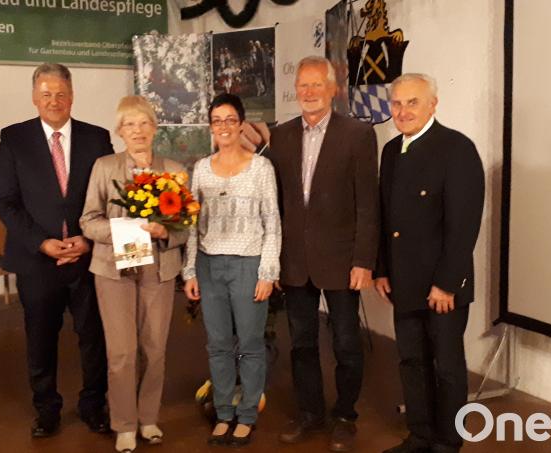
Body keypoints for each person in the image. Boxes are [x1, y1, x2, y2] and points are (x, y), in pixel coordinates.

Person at [266, 56, 380, 452]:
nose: (309, 92)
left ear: (333, 89)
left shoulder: (358, 134)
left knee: (347, 343)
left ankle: (345, 415)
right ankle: (311, 414)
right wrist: (273, 259)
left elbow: (368, 204)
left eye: (317, 85)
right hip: (294, 261)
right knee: (301, 343)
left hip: (342, 261)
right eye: (303, 85)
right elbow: (275, 203)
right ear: (295, 90)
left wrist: (364, 260)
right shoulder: (279, 137)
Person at [0, 63, 112, 437]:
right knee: (40, 338)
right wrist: (42, 243)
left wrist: (89, 239)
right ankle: (47, 410)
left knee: (94, 338)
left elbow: (112, 197)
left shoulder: (98, 138)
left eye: (61, 93)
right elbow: (6, 202)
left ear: (72, 96)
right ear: (34, 97)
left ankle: (94, 406)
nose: (54, 101)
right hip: (37, 260)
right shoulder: (14, 139)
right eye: (46, 94)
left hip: (88, 258)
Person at [374, 73, 484, 453]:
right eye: (397, 104)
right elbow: (385, 218)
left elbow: (464, 224)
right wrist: (382, 269)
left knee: (448, 367)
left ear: (433, 104)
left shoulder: (456, 148)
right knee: (411, 361)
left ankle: (447, 441)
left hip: (442, 286)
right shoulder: (391, 152)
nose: (403, 112)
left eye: (412, 102)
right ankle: (419, 435)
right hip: (404, 280)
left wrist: (447, 283)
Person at [79, 95, 189, 453]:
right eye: (130, 124)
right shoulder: (104, 166)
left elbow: (185, 228)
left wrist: (164, 232)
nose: (137, 131)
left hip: (158, 269)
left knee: (154, 349)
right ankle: (124, 424)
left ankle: (149, 418)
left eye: (144, 123)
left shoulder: (174, 170)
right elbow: (88, 220)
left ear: (155, 128)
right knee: (122, 352)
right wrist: (121, 230)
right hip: (113, 270)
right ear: (120, 131)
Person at [183, 93, 281, 447]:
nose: (223, 127)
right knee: (219, 345)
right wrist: (190, 271)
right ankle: (224, 413)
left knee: (251, 345)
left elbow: (272, 222)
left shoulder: (261, 168)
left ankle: (248, 415)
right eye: (216, 121)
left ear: (241, 124)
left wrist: (267, 272)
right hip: (210, 266)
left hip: (248, 265)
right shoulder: (201, 169)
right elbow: (192, 224)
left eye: (229, 120)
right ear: (211, 127)